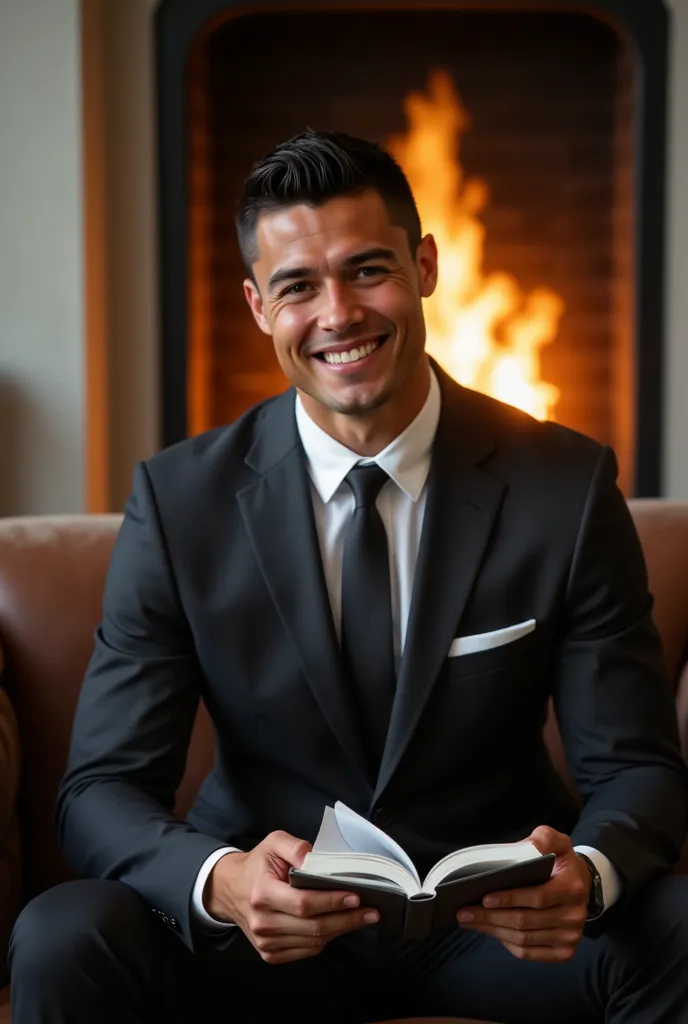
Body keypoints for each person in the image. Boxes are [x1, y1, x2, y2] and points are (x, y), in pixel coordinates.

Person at [8, 130, 688, 1023]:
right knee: (65, 933)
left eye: (368, 270)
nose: (339, 313)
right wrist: (223, 882)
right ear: (257, 305)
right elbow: (100, 788)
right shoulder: (179, 503)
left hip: (494, 931)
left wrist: (587, 879)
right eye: (298, 286)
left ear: (426, 265)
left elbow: (636, 765)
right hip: (268, 937)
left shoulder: (566, 485)